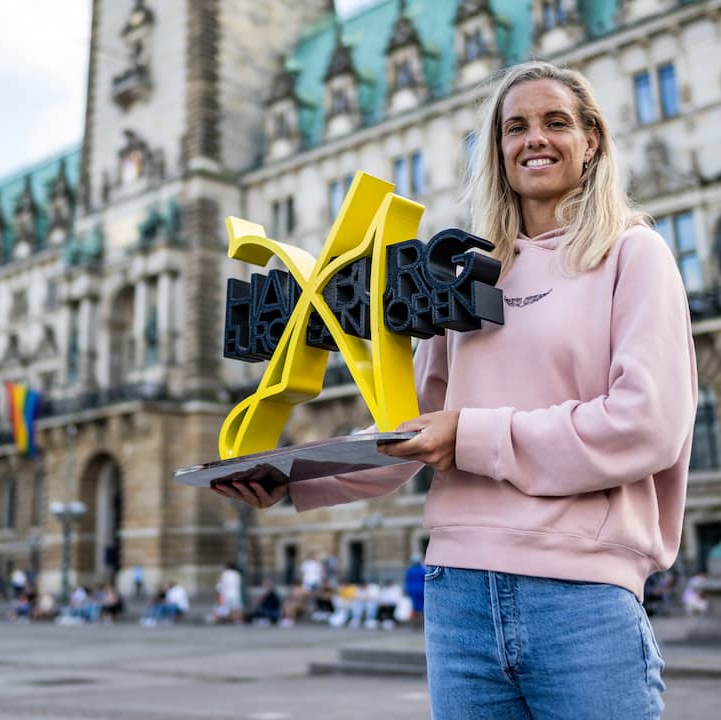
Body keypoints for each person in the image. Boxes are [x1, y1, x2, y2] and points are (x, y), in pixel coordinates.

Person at [213, 60, 696, 719]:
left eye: (557, 122)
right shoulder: (461, 271)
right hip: (458, 595)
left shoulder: (633, 255)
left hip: (583, 596)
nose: (536, 139)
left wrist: (468, 434)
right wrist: (292, 479)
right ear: (497, 150)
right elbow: (415, 430)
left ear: (593, 141)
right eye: (515, 126)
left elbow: (646, 426)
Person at [403, 554, 426, 627]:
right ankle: (421, 622)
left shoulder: (410, 570)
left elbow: (407, 580)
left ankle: (415, 623)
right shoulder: (422, 570)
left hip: (412, 590)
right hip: (421, 589)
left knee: (414, 606)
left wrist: (407, 589)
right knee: (422, 606)